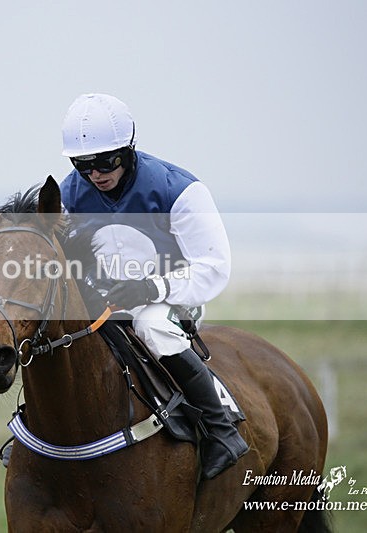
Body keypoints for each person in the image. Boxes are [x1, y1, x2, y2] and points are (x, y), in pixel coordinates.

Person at [59, 93, 248, 479]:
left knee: (151, 326)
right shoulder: (68, 196)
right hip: (105, 302)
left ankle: (220, 430)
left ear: (129, 149)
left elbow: (214, 268)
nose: (96, 174)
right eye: (83, 165)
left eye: (106, 161)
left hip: (176, 299)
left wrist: (151, 289)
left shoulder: (178, 189)